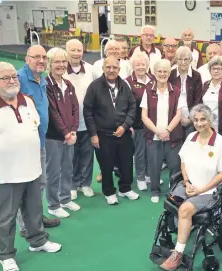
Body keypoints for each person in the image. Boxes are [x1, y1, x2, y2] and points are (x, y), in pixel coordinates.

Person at [0, 62, 62, 271]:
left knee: (34, 210)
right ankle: (6, 255)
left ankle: (38, 240)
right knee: (6, 217)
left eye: (14, 76)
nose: (12, 81)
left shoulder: (28, 102)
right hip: (6, 173)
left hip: (32, 168)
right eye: (6, 78)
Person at [160, 104, 222, 271]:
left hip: (209, 191)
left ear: (210, 120)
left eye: (203, 119)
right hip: (189, 186)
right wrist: (186, 182)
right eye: (196, 120)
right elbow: (184, 161)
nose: (199, 123)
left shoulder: (220, 142)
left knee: (185, 210)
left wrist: (200, 190)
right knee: (171, 201)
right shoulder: (191, 137)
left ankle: (178, 253)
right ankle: (179, 231)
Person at [16, 45, 60, 235]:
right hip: (23, 146)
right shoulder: (19, 79)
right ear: (27, 59)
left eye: (44, 57)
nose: (41, 61)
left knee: (39, 184)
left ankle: (37, 217)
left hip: (39, 142)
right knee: (24, 188)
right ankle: (26, 227)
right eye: (36, 57)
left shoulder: (41, 80)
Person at [84, 56, 138, 205]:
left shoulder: (124, 86)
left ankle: (125, 189)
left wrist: (125, 125)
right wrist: (93, 134)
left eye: (115, 67)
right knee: (106, 165)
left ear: (119, 69)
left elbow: (132, 108)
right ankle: (109, 192)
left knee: (126, 163)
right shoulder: (94, 87)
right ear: (103, 68)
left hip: (123, 132)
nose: (111, 70)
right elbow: (88, 112)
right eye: (108, 67)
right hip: (103, 134)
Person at [141, 59, 184, 203]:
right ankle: (155, 190)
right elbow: (144, 116)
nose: (162, 74)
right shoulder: (148, 90)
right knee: (154, 165)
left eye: (165, 71)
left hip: (172, 136)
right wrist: (157, 132)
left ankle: (174, 191)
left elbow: (179, 114)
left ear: (169, 73)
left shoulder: (176, 91)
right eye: (159, 71)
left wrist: (167, 130)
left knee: (174, 165)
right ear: (154, 72)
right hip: (154, 136)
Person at [45, 47, 80, 218]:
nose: (60, 65)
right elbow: (53, 112)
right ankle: (53, 204)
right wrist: (66, 132)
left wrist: (73, 130)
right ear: (49, 64)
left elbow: (75, 108)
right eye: (57, 62)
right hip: (53, 137)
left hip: (69, 136)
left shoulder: (68, 84)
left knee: (67, 168)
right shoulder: (46, 85)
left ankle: (65, 198)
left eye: (63, 61)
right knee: (54, 171)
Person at [64, 39, 96, 200]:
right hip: (69, 123)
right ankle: (72, 184)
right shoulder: (62, 69)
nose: (76, 53)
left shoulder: (90, 70)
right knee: (72, 156)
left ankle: (86, 183)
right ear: (66, 50)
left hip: (88, 121)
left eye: (79, 50)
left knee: (88, 154)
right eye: (73, 50)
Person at [125, 52, 154, 191]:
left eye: (143, 64)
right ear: (133, 66)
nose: (141, 67)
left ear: (147, 65)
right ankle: (141, 178)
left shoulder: (154, 79)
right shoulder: (127, 81)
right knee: (140, 152)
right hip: (137, 124)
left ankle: (149, 175)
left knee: (152, 151)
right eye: (138, 64)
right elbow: (124, 105)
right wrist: (127, 124)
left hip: (153, 124)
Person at [169, 46, 202, 138]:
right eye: (180, 59)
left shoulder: (196, 76)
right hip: (173, 117)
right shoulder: (170, 75)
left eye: (186, 59)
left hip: (191, 118)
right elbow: (169, 98)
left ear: (191, 60)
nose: (183, 62)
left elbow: (198, 99)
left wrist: (190, 118)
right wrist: (177, 117)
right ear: (176, 60)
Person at [201, 56, 222, 139]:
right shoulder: (206, 85)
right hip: (205, 127)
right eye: (213, 68)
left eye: (219, 68)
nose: (216, 71)